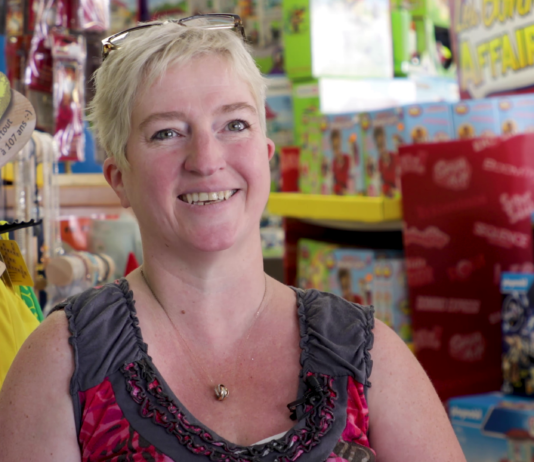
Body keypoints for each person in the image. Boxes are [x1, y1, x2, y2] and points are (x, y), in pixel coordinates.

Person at [0, 14, 466, 461]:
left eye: (235, 125)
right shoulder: (62, 362)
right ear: (119, 178)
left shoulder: (366, 355)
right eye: (166, 132)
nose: (206, 160)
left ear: (266, 155)